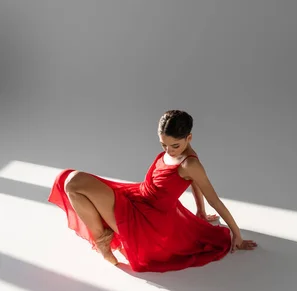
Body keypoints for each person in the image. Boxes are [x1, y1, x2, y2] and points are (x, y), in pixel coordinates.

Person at [48, 110, 257, 272]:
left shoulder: (191, 165)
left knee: (74, 183)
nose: (168, 150)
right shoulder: (180, 153)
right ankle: (104, 237)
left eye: (174, 146)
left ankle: (104, 242)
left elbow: (215, 201)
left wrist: (236, 235)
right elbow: (193, 184)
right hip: (136, 196)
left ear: (189, 138)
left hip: (148, 221)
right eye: (163, 144)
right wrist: (200, 211)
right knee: (67, 180)